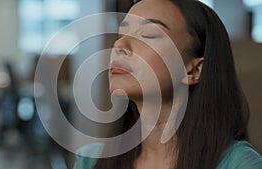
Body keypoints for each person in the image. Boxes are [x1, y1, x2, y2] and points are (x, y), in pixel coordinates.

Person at [73, 0, 262, 169]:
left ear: (194, 70)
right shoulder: (91, 161)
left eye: (147, 34)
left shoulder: (239, 164)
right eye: (120, 34)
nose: (120, 45)